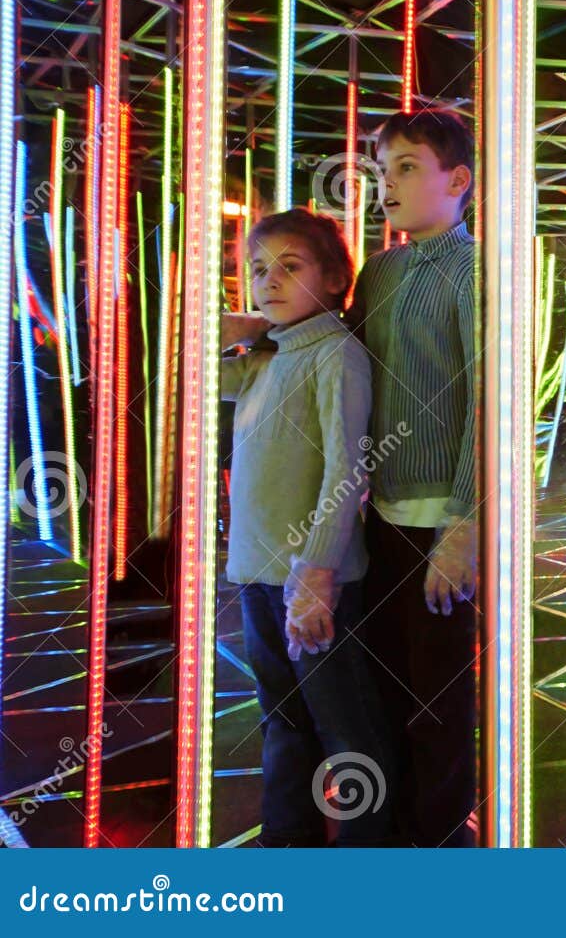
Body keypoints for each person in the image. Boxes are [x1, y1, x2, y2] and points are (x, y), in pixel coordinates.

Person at [219, 209, 395, 846]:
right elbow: (193, 369)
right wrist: (239, 328)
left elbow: (348, 471)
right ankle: (285, 840)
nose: (269, 280)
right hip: (257, 576)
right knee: (281, 720)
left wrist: (316, 573)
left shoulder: (336, 354)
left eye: (290, 267)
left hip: (310, 581)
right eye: (258, 269)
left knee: (342, 725)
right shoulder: (266, 360)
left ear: (334, 277)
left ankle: (368, 850)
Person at [346, 108, 480, 847]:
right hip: (380, 513)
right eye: (380, 168)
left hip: (440, 516)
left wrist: (463, 523)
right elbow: (347, 370)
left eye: (404, 166)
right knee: (383, 681)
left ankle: (439, 833)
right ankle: (394, 827)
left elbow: (486, 399)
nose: (385, 183)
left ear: (456, 180)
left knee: (439, 692)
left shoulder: (473, 266)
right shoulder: (380, 269)